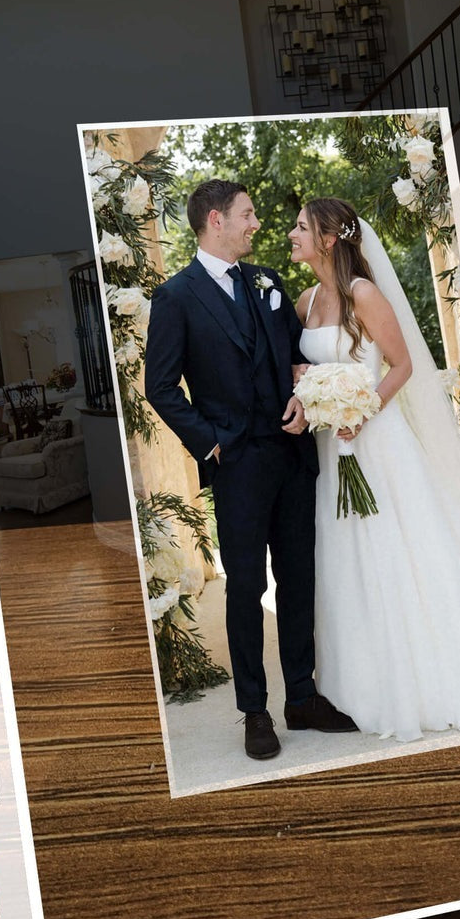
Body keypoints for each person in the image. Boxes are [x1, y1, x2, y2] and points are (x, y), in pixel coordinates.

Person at [289, 197, 460, 741]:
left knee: (395, 550)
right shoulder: (304, 301)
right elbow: (301, 363)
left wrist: (360, 411)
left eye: (302, 226)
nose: (292, 233)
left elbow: (403, 365)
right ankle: (352, 684)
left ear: (329, 239)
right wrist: (305, 379)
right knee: (343, 554)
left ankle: (420, 675)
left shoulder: (364, 294)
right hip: (332, 450)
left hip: (375, 442)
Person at [144, 180, 357, 761]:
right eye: (247, 214)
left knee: (298, 579)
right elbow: (159, 387)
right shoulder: (176, 297)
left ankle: (303, 699)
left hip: (291, 456)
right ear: (216, 220)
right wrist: (210, 443)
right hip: (234, 465)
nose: (256, 223)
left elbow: (295, 356)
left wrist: (306, 396)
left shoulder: (266, 281)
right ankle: (255, 712)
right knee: (245, 589)